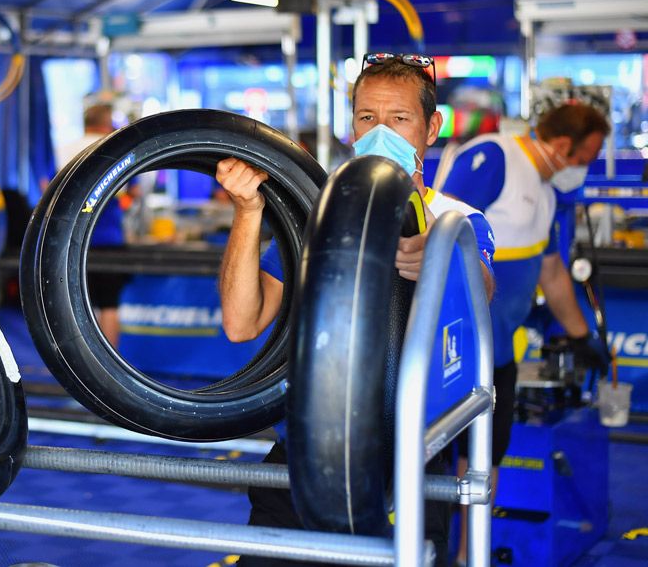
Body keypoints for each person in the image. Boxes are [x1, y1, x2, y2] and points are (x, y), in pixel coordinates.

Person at [217, 53, 495, 567]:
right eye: (368, 118)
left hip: (410, 455)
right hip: (308, 448)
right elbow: (241, 322)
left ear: (431, 127)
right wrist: (248, 212)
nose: (380, 131)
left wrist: (438, 255)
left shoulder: (459, 220)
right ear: (352, 127)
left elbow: (484, 292)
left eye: (399, 119)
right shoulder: (318, 212)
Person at [437, 101, 610, 566]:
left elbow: (552, 274)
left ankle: (469, 557)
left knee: (484, 463)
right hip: (448, 356)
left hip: (498, 357)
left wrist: (581, 335)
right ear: (561, 145)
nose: (585, 169)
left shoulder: (549, 194)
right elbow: (437, 227)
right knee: (433, 466)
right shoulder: (494, 158)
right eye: (587, 157)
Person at [58, 103, 129, 346]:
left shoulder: (64, 150)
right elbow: (129, 194)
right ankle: (108, 372)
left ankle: (84, 368)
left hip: (72, 243)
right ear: (108, 123)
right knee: (109, 306)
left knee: (78, 308)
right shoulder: (118, 150)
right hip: (108, 241)